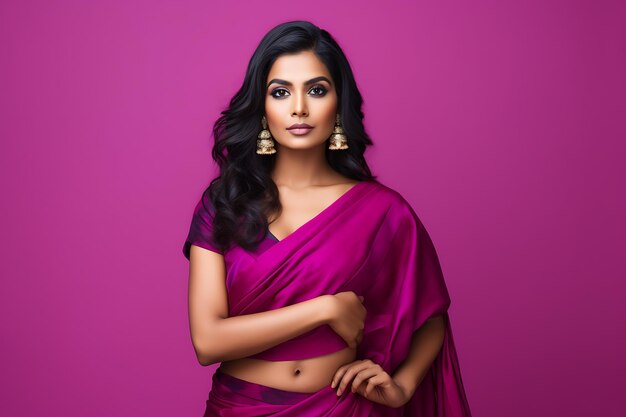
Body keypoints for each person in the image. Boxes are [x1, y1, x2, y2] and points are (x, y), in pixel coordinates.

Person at [182, 20, 472, 416]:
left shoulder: (382, 211)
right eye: (281, 92)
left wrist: (403, 386)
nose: (299, 108)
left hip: (341, 409)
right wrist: (325, 309)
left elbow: (429, 314)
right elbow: (208, 341)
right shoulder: (224, 204)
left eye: (316, 90)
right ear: (262, 107)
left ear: (338, 102)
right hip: (240, 407)